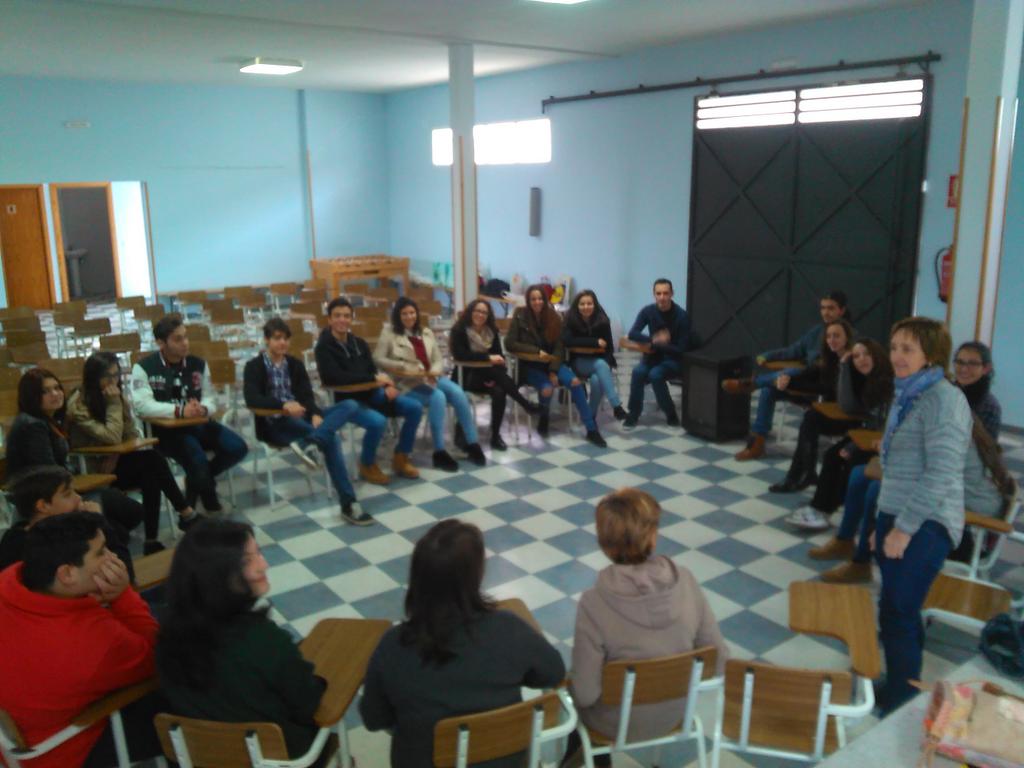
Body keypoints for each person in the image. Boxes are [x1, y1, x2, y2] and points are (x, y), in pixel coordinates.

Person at [360, 520, 566, 768]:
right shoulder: (509, 629)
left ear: (417, 577)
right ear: (475, 576)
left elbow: (374, 718)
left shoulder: (393, 646)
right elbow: (554, 672)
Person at [565, 488, 728, 766]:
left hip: (614, 722)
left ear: (604, 544)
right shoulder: (686, 581)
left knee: (573, 695)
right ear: (653, 536)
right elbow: (719, 661)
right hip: (675, 714)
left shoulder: (593, 603)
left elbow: (586, 693)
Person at [157, 519, 332, 767]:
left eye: (258, 553)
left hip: (201, 759)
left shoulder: (166, 637)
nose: (264, 565)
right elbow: (308, 704)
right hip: (280, 759)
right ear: (217, 575)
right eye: (247, 560)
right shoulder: (264, 641)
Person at [0, 512, 161, 768]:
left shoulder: (9, 580)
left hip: (14, 740)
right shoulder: (93, 644)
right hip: (58, 751)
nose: (113, 558)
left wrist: (87, 600)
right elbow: (155, 658)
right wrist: (122, 595)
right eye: (101, 553)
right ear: (67, 574)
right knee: (180, 693)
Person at [869, 317, 971, 714]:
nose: (896, 356)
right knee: (895, 607)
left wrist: (904, 529)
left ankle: (901, 699)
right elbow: (896, 466)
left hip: (927, 520)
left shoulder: (945, 400)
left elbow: (942, 474)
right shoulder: (907, 392)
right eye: (894, 347)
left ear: (931, 356)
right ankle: (901, 681)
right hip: (898, 513)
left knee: (898, 609)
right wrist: (883, 523)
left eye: (907, 349)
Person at [67, 352, 201, 553]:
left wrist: (116, 453)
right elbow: (112, 436)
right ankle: (184, 514)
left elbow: (130, 433)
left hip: (114, 461)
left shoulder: (114, 395)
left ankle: (153, 539)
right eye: (108, 376)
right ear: (94, 377)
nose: (114, 381)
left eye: (117, 375)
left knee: (152, 466)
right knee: (152, 464)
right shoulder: (78, 404)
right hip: (92, 468)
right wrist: (114, 405)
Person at [244, 317, 373, 525]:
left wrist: (314, 413)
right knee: (333, 440)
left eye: (286, 339)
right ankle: (349, 503)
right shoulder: (254, 366)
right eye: (277, 338)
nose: (282, 343)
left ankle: (310, 442)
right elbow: (252, 398)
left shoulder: (294, 364)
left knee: (349, 405)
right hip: (275, 423)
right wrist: (282, 405)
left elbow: (306, 396)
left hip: (303, 417)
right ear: (266, 340)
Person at [6, 367, 143, 549]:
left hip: (56, 490)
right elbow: (49, 472)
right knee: (122, 514)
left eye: (57, 388)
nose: (55, 394)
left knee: (119, 522)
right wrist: (75, 495)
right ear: (31, 396)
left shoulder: (46, 420)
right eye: (45, 391)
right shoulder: (32, 425)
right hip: (42, 499)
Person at [131, 313, 248, 513]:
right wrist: (178, 411)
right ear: (161, 343)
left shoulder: (198, 364)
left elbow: (211, 397)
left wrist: (204, 408)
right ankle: (207, 498)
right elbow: (142, 405)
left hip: (198, 423)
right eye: (178, 339)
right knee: (196, 455)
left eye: (186, 337)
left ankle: (199, 481)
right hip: (166, 431)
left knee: (237, 447)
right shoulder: (143, 367)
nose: (185, 343)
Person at [784, 338, 893, 531]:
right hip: (869, 435)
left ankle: (826, 511)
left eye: (866, 354)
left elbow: (881, 426)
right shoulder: (867, 380)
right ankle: (820, 509)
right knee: (832, 453)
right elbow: (847, 405)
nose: (861, 359)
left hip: (884, 443)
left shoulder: (887, 383)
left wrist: (852, 445)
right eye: (856, 356)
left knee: (847, 459)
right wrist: (844, 367)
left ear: (878, 355)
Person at [727, 291, 848, 460]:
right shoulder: (816, 332)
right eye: (823, 308)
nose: (826, 312)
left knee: (794, 373)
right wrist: (768, 356)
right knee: (769, 390)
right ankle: (757, 445)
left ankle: (752, 383)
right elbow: (793, 351)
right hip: (800, 385)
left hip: (826, 392)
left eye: (831, 308)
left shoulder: (849, 336)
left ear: (841, 311)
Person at [314, 297, 422, 481]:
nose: (342, 320)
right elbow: (335, 377)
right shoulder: (323, 347)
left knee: (415, 408)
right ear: (329, 319)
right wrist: (372, 379)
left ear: (351, 318)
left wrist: (387, 384)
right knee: (378, 421)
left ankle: (401, 457)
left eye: (347, 316)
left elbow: (372, 370)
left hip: (373, 394)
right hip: (347, 402)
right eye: (337, 316)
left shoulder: (359, 343)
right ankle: (367, 464)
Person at [374, 297, 486, 471]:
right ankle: (439, 451)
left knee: (458, 393)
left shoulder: (425, 332)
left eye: (412, 313)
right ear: (398, 315)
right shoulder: (389, 333)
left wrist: (433, 371)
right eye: (404, 313)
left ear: (417, 314)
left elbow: (437, 358)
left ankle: (472, 443)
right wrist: (403, 366)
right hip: (406, 381)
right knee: (438, 397)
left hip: (431, 378)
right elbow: (378, 359)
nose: (409, 317)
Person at [504, 284, 606, 447]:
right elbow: (509, 343)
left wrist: (553, 371)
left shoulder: (554, 317)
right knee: (547, 388)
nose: (537, 302)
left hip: (553, 363)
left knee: (575, 382)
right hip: (530, 366)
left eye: (540, 299)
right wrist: (536, 351)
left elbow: (559, 347)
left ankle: (591, 429)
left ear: (545, 300)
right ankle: (544, 416)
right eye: (533, 299)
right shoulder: (520, 315)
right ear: (528, 301)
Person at [764, 318, 855, 493]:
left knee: (810, 419)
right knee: (810, 419)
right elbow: (808, 374)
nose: (831, 340)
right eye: (829, 336)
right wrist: (788, 380)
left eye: (837, 335)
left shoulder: (852, 361)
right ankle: (804, 473)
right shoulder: (829, 359)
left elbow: (826, 387)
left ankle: (800, 475)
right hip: (832, 413)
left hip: (852, 418)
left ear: (847, 338)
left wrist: (791, 384)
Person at [0, 466, 135, 581]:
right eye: (68, 494)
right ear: (43, 506)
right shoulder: (56, 542)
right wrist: (100, 522)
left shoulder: (17, 534)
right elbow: (123, 573)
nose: (79, 498)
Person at [449, 298, 540, 451]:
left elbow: (500, 358)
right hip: (466, 377)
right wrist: (487, 358)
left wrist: (493, 370)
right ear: (470, 312)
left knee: (499, 391)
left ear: (488, 315)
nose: (480, 315)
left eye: (484, 312)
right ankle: (524, 403)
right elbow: (461, 355)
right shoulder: (459, 330)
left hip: (489, 377)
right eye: (477, 311)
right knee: (495, 373)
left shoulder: (491, 331)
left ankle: (495, 436)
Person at [623, 278, 690, 429]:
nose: (662, 297)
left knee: (655, 374)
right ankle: (633, 414)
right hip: (654, 355)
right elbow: (633, 333)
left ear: (672, 294)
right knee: (638, 372)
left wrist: (660, 345)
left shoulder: (682, 316)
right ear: (654, 294)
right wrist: (654, 341)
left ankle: (670, 413)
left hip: (673, 359)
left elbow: (682, 350)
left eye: (665, 293)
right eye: (658, 293)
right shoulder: (648, 311)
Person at [563, 289, 628, 421]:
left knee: (597, 379)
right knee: (600, 364)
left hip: (601, 362)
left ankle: (590, 414)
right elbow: (568, 341)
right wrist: (595, 342)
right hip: (579, 362)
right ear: (577, 305)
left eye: (589, 303)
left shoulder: (602, 320)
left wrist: (607, 361)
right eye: (582, 304)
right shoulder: (570, 320)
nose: (586, 307)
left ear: (595, 304)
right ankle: (616, 405)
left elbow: (609, 347)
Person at [952, 341, 1001, 440]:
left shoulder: (989, 406)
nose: (964, 369)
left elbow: (984, 449)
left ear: (986, 368)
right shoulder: (945, 392)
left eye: (973, 364)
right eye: (960, 362)